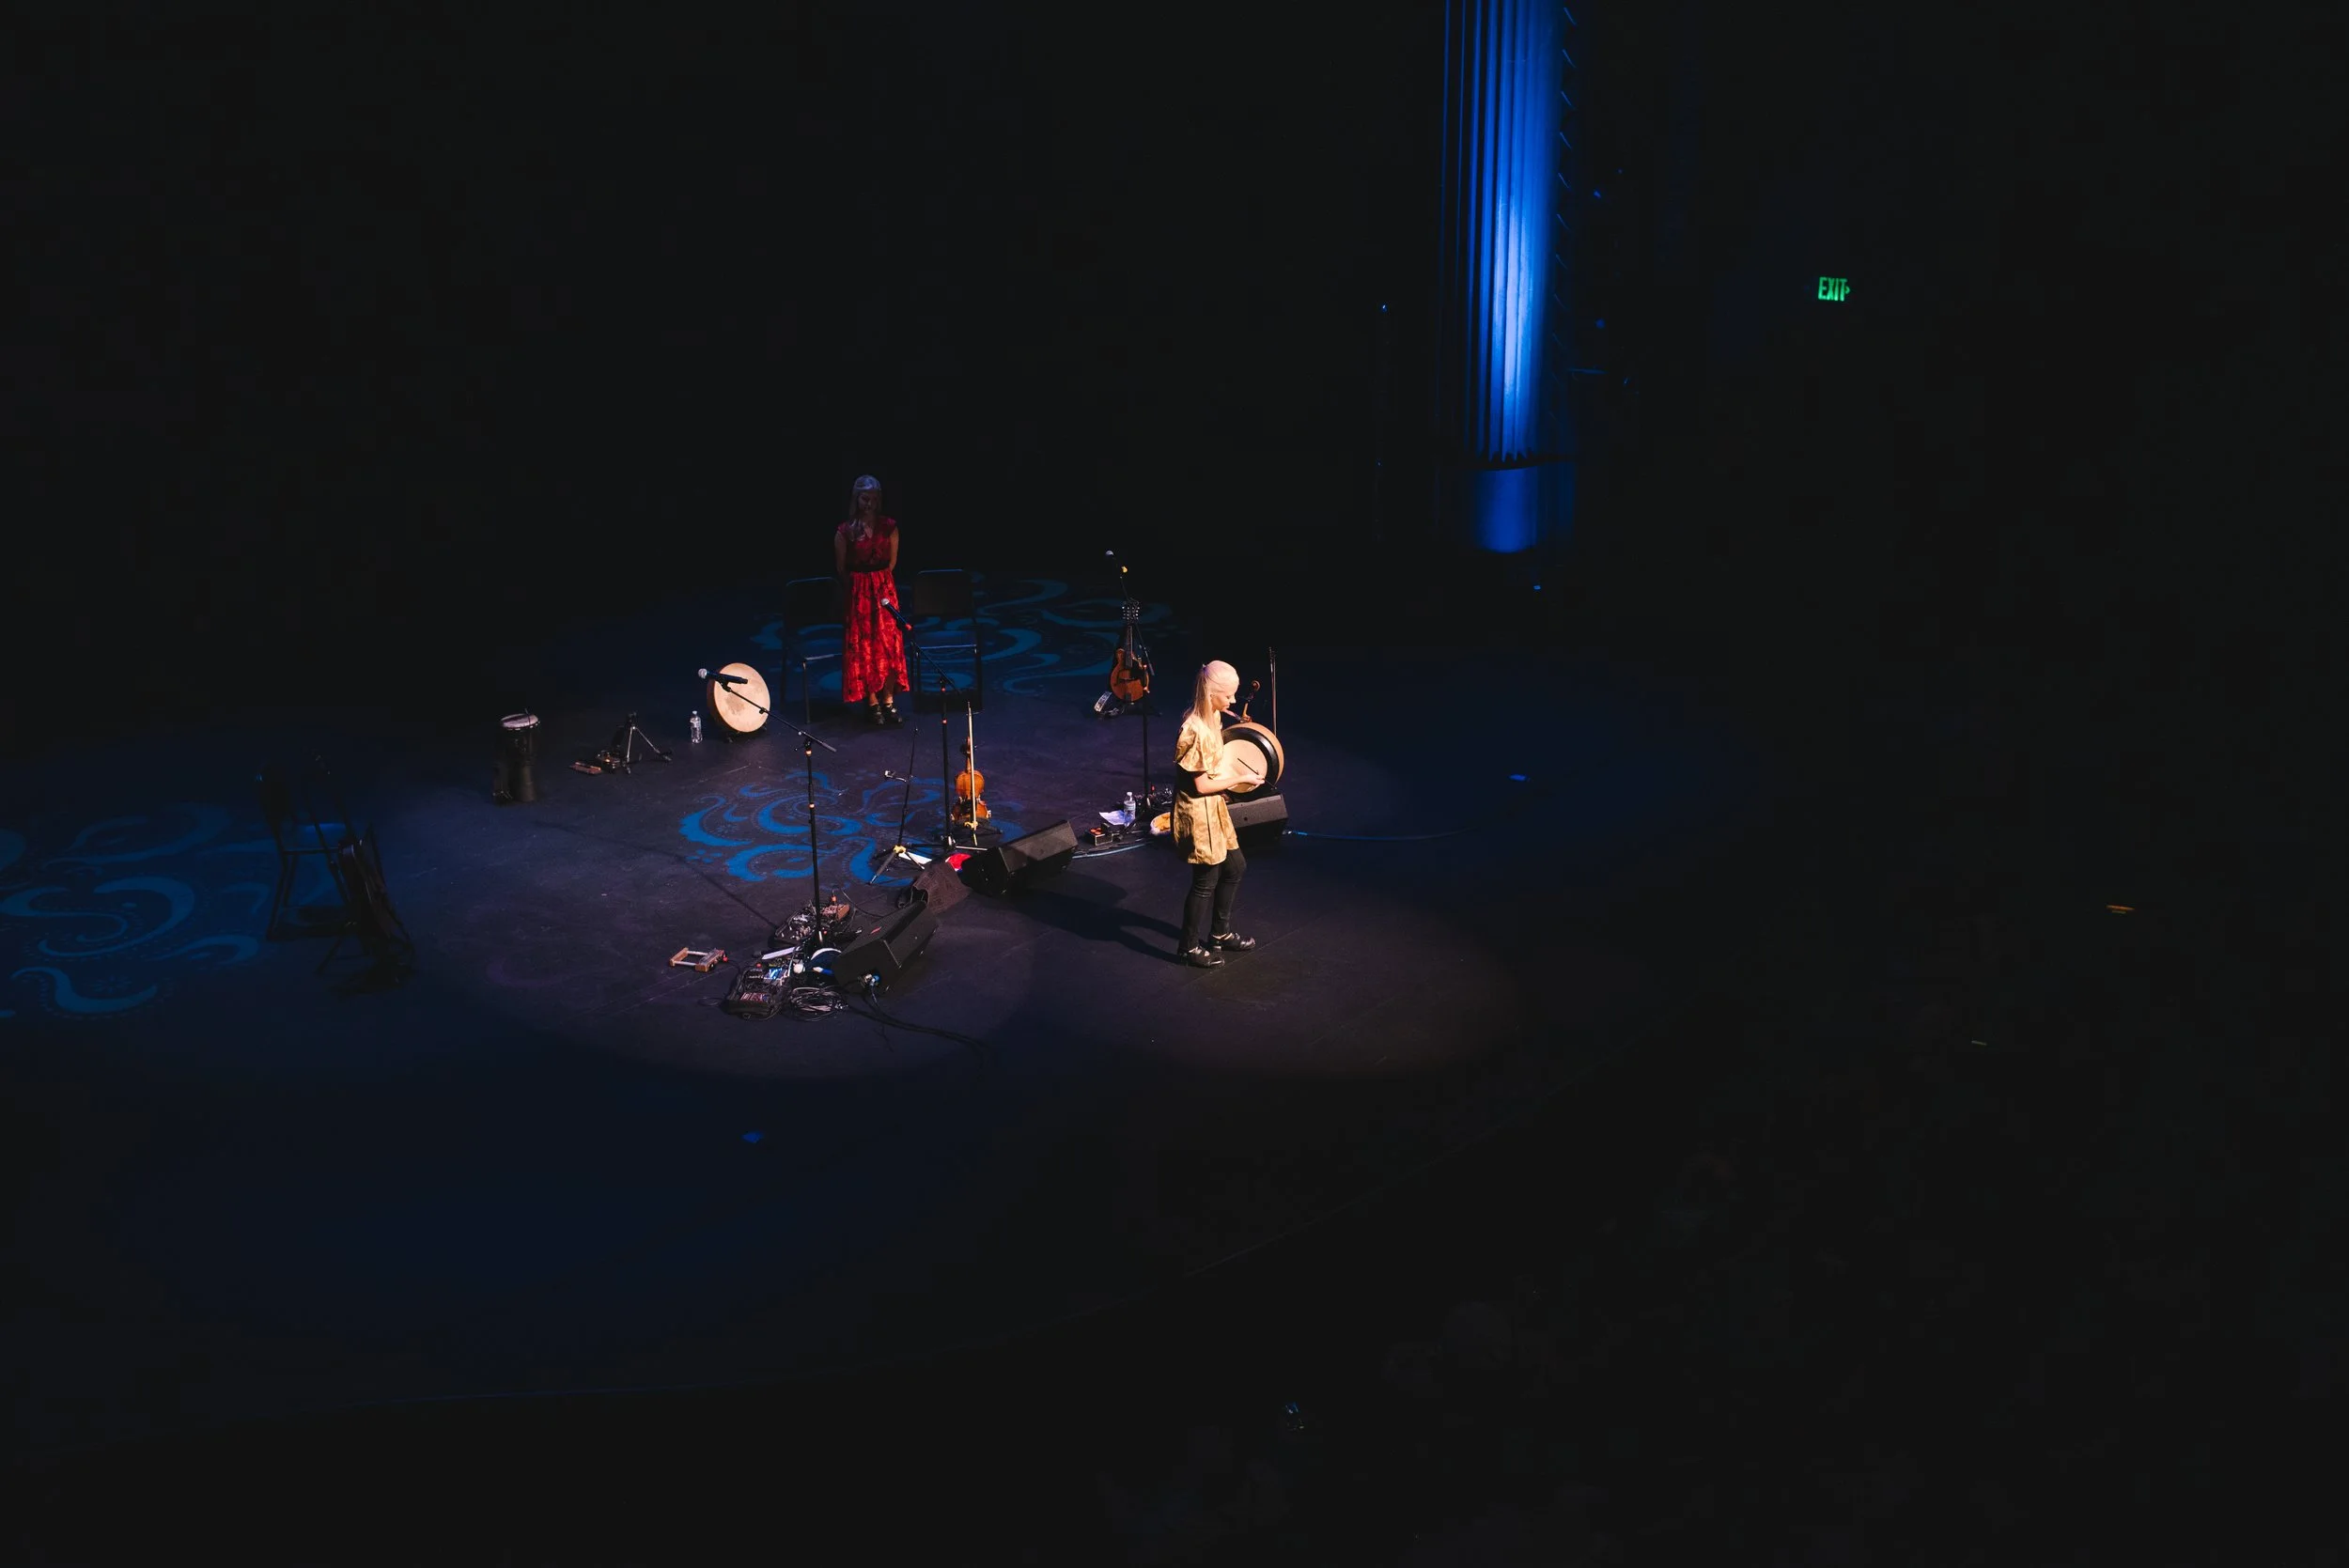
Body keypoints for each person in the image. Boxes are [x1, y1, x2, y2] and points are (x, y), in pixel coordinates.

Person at [1171, 660, 1257, 968]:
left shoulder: (1215, 719)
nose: (1233, 701)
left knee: (1235, 867)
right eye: (1228, 695)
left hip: (1213, 807)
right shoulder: (1194, 729)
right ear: (1211, 694)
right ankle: (1188, 947)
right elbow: (1201, 785)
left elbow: (1213, 769)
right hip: (1198, 812)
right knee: (1205, 880)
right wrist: (1239, 779)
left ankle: (1220, 933)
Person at [834, 474, 908, 723]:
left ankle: (889, 700)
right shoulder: (845, 531)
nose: (870, 504)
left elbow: (893, 562)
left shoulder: (889, 527)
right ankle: (872, 702)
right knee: (865, 648)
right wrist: (860, 586)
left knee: (888, 645)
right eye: (865, 499)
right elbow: (841, 568)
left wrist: (879, 583)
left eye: (874, 499)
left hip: (884, 589)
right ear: (857, 499)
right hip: (859, 593)